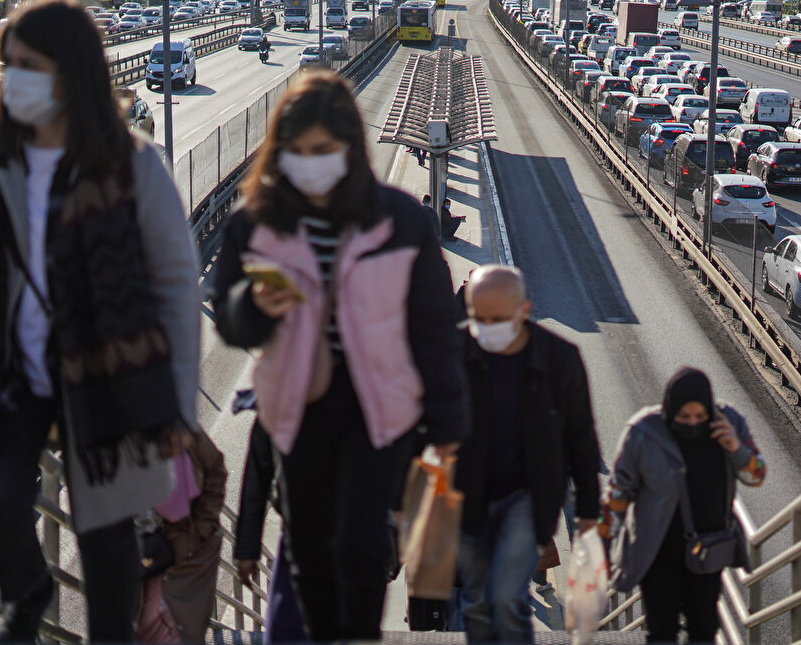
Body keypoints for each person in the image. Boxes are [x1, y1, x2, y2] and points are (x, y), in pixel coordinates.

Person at [0, 0, 201, 643]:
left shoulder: (133, 163)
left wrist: (177, 407)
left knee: (106, 531)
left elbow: (178, 286)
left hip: (109, 372)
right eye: (7, 64)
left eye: (29, 64)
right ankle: (29, 584)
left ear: (70, 72)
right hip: (9, 369)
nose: (13, 78)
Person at [211, 69, 470, 642]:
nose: (311, 164)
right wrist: (253, 303)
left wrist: (450, 423)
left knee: (361, 546)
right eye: (297, 153)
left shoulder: (400, 220)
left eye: (323, 152)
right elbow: (226, 317)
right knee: (308, 552)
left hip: (379, 406)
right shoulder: (256, 220)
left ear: (351, 148)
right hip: (297, 406)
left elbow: (434, 328)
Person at [454, 265, 601, 644]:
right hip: (467, 497)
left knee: (506, 595)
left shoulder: (560, 360)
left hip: (527, 497)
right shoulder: (452, 353)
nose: (487, 328)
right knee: (476, 600)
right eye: (478, 317)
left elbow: (581, 442)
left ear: (524, 310)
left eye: (498, 318)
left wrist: (588, 518)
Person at [603, 368, 766, 644]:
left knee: (704, 632)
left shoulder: (731, 422)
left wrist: (735, 448)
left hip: (708, 553)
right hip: (658, 554)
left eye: (700, 417)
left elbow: (757, 476)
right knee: (662, 633)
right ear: (669, 410)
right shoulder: (643, 433)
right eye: (683, 417)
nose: (692, 424)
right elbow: (619, 491)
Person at [233, 389, 308, 643]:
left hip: (348, 544)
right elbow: (257, 474)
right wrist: (246, 549)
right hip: (297, 540)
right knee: (284, 634)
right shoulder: (277, 396)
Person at [139, 430, 228, 644]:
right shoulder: (111, 435)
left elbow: (215, 470)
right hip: (138, 556)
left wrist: (201, 528)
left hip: (187, 553)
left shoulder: (179, 424)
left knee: (179, 627)